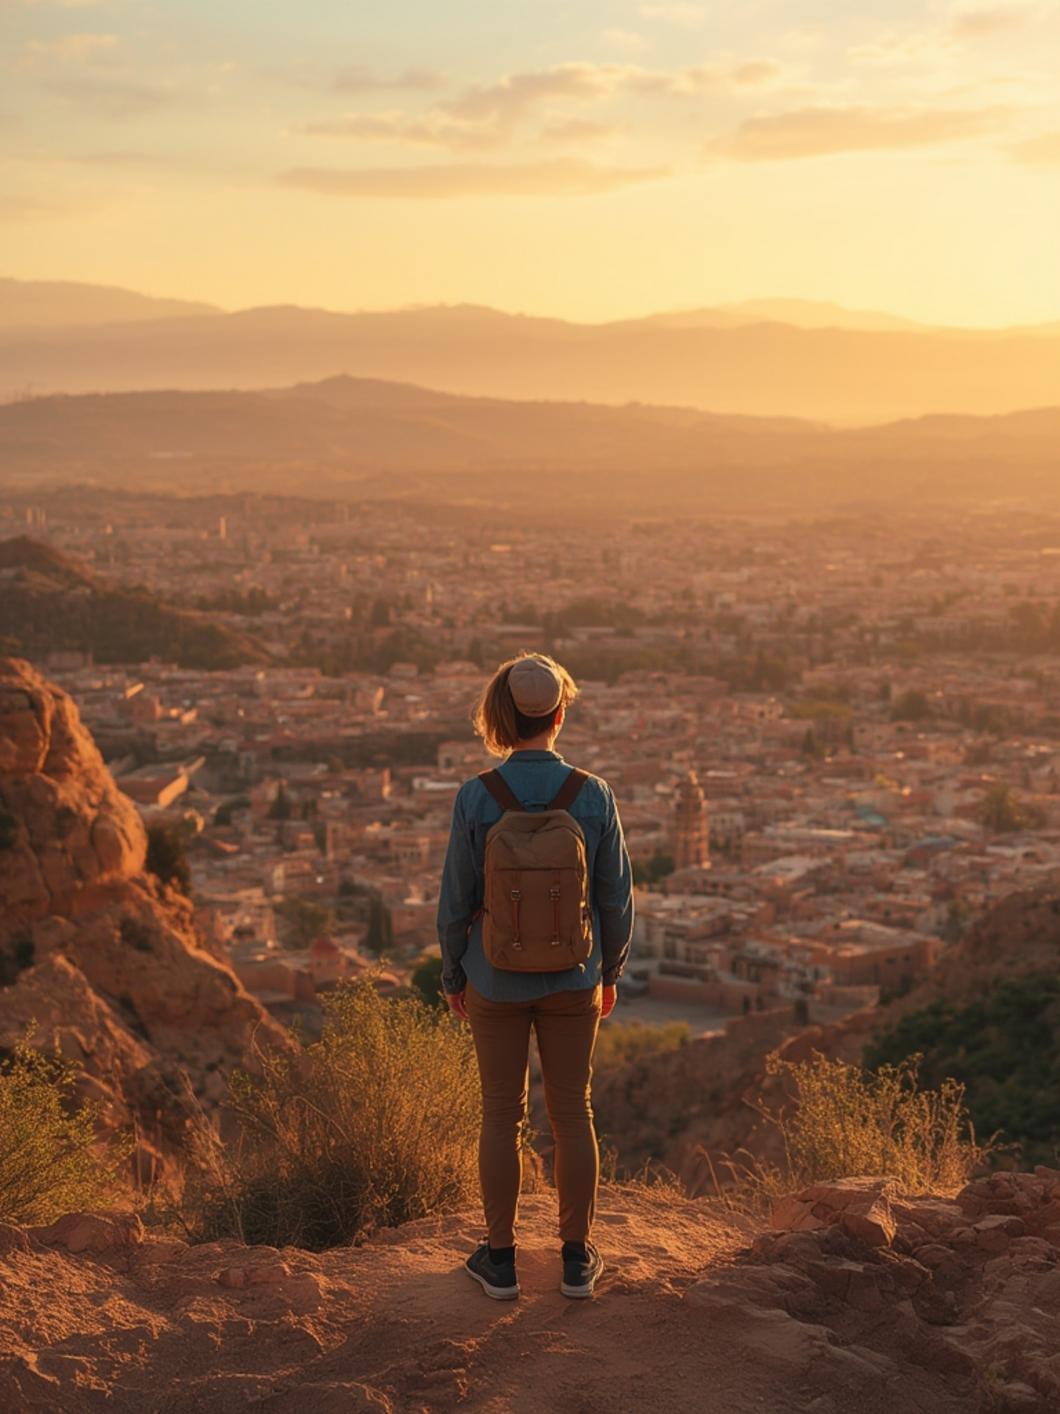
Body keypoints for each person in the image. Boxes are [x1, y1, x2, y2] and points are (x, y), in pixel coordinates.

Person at [437, 652, 634, 1301]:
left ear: (500, 715)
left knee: (501, 1114)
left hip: (492, 977)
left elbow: (456, 898)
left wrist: (452, 974)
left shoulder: (476, 796)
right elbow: (615, 897)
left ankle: (499, 1261)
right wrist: (609, 970)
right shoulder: (593, 793)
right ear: (559, 712)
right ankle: (576, 1259)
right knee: (573, 1111)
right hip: (575, 977)